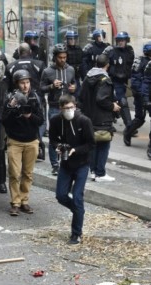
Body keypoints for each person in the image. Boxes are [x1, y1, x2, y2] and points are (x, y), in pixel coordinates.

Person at [49, 95, 95, 245]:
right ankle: (78, 211)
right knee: (61, 195)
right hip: (66, 164)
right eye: (65, 108)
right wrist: (58, 147)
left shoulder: (84, 121)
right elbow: (52, 139)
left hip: (82, 163)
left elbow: (91, 144)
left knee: (77, 196)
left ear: (75, 106)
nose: (68, 110)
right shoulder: (56, 121)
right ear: (60, 109)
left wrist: (76, 149)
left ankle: (76, 233)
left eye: (71, 107)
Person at [2, 72, 44, 216]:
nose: (25, 85)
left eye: (27, 82)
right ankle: (15, 202)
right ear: (16, 84)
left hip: (31, 141)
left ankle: (24, 201)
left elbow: (41, 121)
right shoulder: (10, 98)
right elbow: (4, 120)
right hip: (15, 141)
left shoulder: (35, 97)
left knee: (28, 173)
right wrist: (11, 107)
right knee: (14, 173)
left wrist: (30, 115)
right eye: (22, 83)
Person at [79, 54, 121, 182]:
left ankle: (93, 172)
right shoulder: (105, 80)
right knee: (104, 144)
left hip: (88, 116)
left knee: (93, 144)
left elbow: (81, 97)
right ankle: (100, 173)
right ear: (107, 65)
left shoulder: (88, 77)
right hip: (102, 118)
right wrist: (112, 106)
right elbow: (101, 99)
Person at [40, 43, 76, 175]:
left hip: (68, 107)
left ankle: (67, 161)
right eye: (60, 57)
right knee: (54, 137)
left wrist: (74, 88)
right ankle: (55, 164)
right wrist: (51, 86)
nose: (63, 60)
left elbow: (75, 82)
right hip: (55, 107)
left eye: (65, 57)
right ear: (55, 57)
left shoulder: (71, 69)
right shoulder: (47, 71)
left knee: (69, 136)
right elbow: (41, 88)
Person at [103, 31, 135, 133]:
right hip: (112, 80)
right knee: (120, 101)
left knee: (117, 101)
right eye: (119, 41)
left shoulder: (129, 51)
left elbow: (130, 65)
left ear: (126, 41)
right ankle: (129, 126)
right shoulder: (111, 51)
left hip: (123, 81)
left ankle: (114, 122)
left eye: (123, 40)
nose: (121, 42)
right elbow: (103, 64)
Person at [125, 42, 151, 154]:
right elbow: (136, 80)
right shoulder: (139, 61)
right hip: (140, 95)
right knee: (140, 118)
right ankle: (128, 132)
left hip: (148, 95)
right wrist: (143, 96)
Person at [65, 30, 83, 98]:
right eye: (70, 39)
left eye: (74, 39)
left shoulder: (79, 49)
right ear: (67, 39)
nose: (72, 40)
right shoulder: (64, 49)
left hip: (77, 76)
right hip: (67, 76)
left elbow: (82, 63)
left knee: (78, 95)